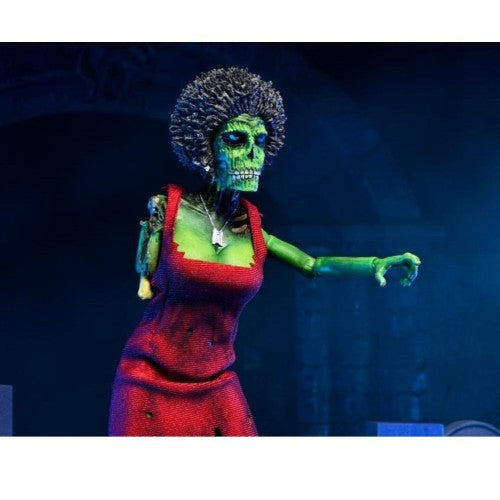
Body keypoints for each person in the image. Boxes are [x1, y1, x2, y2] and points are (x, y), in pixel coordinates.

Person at [108, 67, 420, 436]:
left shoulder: (255, 232)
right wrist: (151, 240)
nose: (252, 155)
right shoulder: (169, 212)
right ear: (205, 147)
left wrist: (375, 263)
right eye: (236, 140)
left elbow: (313, 264)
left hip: (217, 380)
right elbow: (144, 281)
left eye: (260, 142)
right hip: (148, 375)